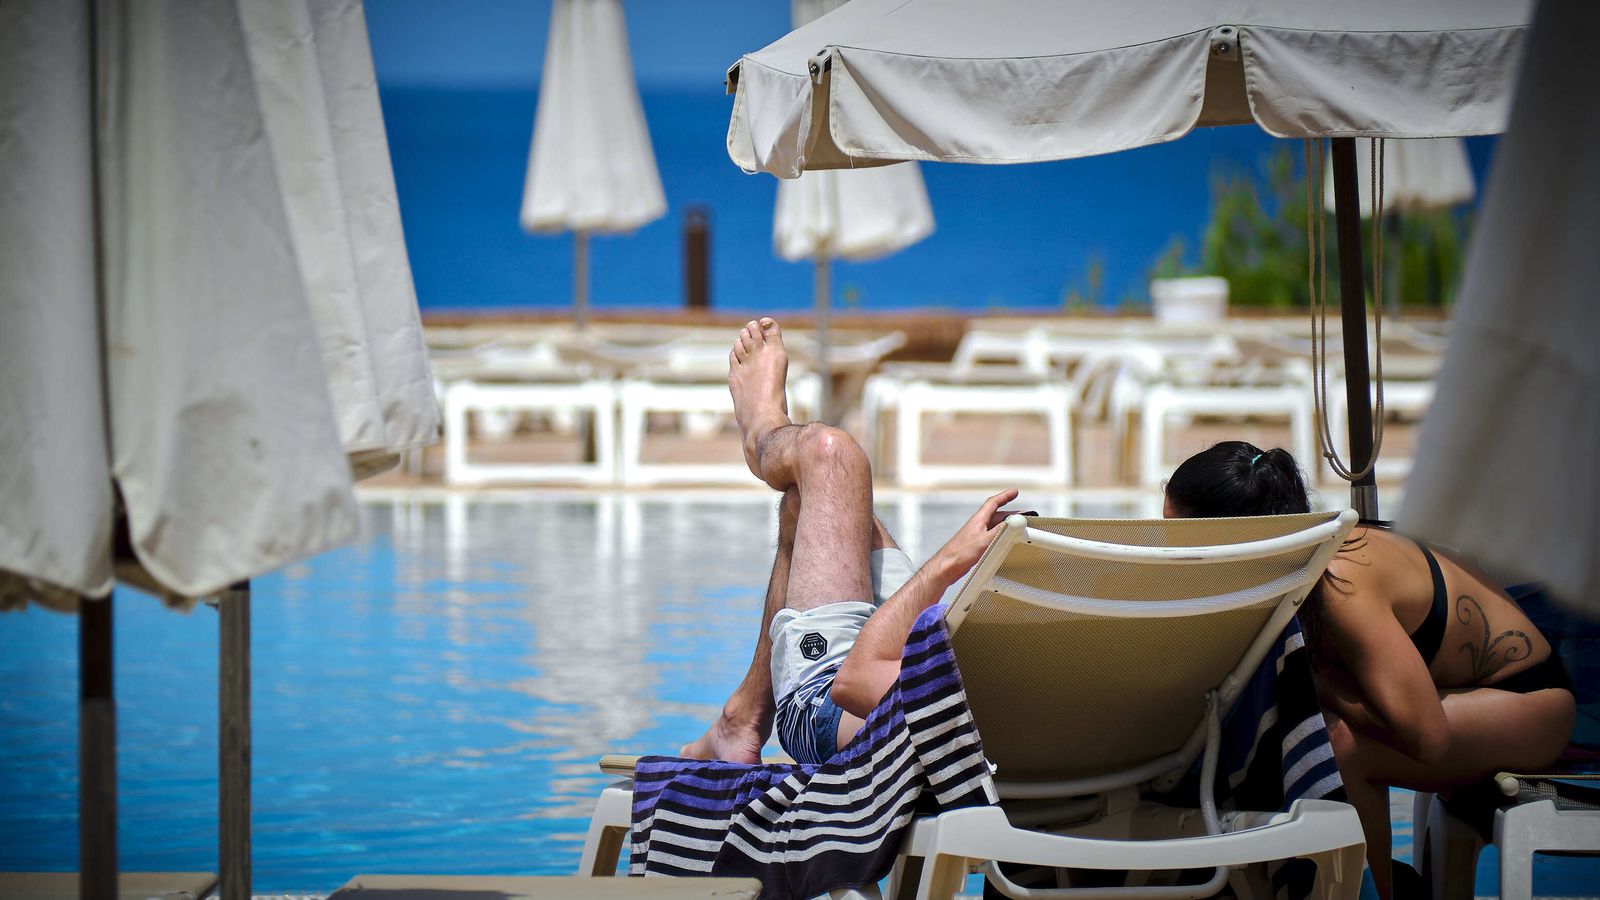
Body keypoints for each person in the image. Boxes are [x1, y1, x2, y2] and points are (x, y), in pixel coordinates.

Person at [1164, 441, 1577, 900]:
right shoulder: (1291, 559)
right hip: (1457, 696)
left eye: (1178, 536)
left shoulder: (1340, 579)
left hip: (1530, 705)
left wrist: (1312, 681)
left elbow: (1427, 736)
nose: (1169, 552)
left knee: (1340, 746)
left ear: (1231, 538)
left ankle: (1371, 892)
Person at [680, 317, 1021, 766]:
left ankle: (764, 435)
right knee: (824, 504)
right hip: (911, 693)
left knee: (831, 455)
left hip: (825, 709)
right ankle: (741, 717)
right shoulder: (1112, 691)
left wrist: (949, 562)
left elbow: (855, 682)